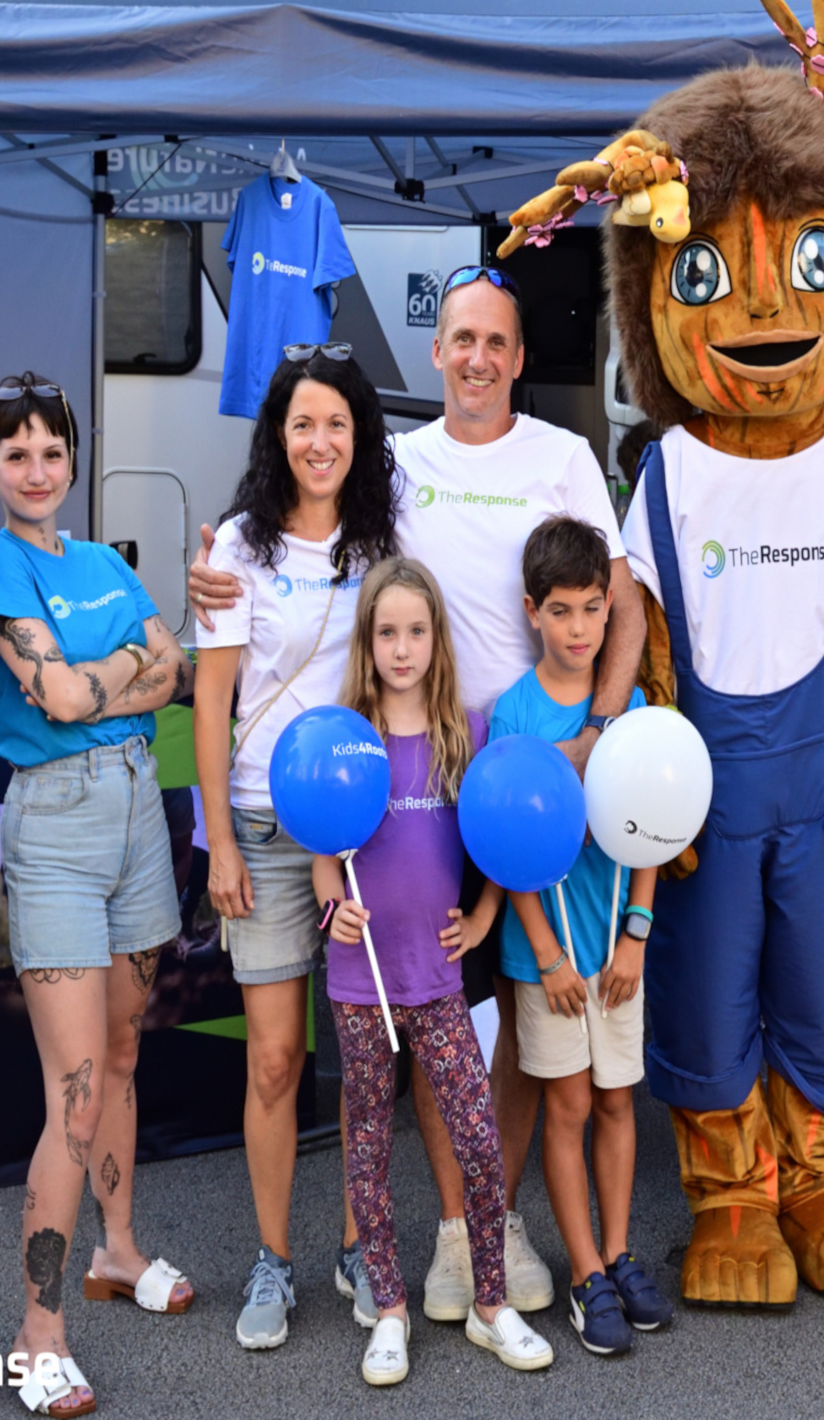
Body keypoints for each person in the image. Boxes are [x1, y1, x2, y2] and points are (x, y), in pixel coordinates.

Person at [194, 269, 643, 1319]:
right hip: (403, 793)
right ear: (434, 353)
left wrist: (597, 732)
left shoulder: (562, 456)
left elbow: (619, 601)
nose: (479, 356)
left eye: (498, 340)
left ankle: (487, 1223)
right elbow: (297, 557)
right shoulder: (398, 471)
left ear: (520, 357)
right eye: (461, 339)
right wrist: (205, 564)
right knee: (392, 1028)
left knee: (507, 1017)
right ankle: (407, 1238)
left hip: (516, 783)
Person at [0, 373, 198, 1418]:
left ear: (71, 458)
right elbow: (57, 696)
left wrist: (106, 677)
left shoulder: (103, 560)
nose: (35, 469)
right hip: (55, 824)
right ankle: (38, 1331)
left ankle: (117, 1249)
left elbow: (177, 667)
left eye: (50, 450)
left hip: (138, 813)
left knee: (121, 1054)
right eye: (14, 452)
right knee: (73, 1087)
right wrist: (125, 673)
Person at [193, 346, 398, 1353]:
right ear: (279, 436)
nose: (320, 442)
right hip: (265, 837)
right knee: (275, 1059)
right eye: (303, 424)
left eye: (338, 425)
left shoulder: (381, 545)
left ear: (360, 441)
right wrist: (219, 839)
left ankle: (360, 1245)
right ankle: (272, 1258)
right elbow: (213, 697)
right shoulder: (236, 544)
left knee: (365, 1059)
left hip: (362, 837)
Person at [314, 555, 554, 1383]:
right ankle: (388, 1308)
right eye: (388, 632)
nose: (403, 647)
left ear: (437, 639)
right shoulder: (347, 734)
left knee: (479, 1142)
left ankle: (491, 1301)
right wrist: (330, 909)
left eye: (417, 631)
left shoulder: (468, 734)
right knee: (370, 1152)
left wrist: (485, 916)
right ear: (369, 640)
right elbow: (323, 854)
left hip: (440, 984)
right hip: (360, 986)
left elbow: (497, 845)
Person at [484, 516, 673, 1356]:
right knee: (565, 1105)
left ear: (610, 611)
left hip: (614, 949)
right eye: (560, 611)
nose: (578, 628)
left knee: (616, 1101)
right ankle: (585, 1272)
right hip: (547, 958)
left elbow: (652, 832)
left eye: (593, 609)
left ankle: (623, 1249)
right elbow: (504, 849)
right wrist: (549, 957)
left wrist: (635, 934)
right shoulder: (512, 716)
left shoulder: (626, 709)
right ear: (532, 611)